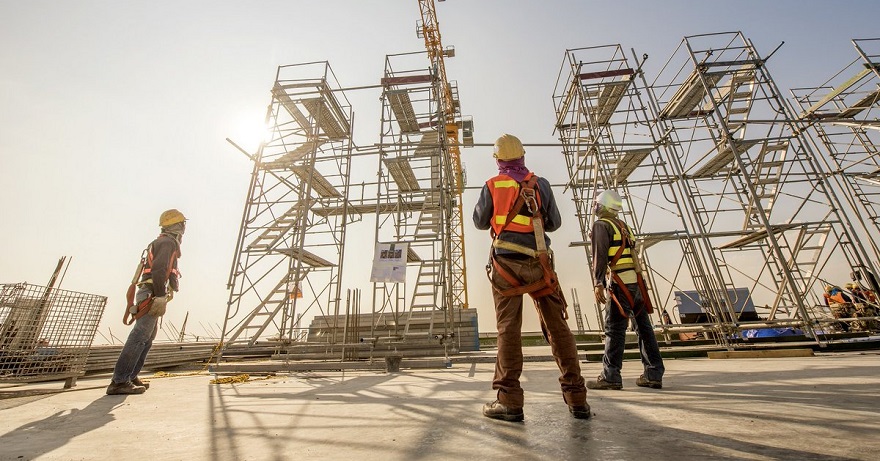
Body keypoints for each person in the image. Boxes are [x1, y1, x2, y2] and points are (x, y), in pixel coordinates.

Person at [473, 134, 589, 421]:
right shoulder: (541, 184)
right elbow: (555, 223)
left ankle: (509, 400)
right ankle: (577, 398)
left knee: (508, 329)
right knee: (557, 327)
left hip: (506, 267)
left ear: (498, 159)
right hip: (540, 263)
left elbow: (478, 222)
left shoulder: (492, 185)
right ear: (523, 156)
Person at [588, 190, 665, 390]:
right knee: (644, 328)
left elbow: (600, 256)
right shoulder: (624, 226)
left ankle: (610, 376)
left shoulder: (601, 225)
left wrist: (598, 283)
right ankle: (653, 372)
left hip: (620, 283)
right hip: (636, 283)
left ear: (602, 206)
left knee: (614, 329)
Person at [106, 209, 186, 395]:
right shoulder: (167, 243)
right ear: (178, 226)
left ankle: (130, 376)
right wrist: (159, 295)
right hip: (151, 293)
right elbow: (159, 269)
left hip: (150, 292)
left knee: (147, 338)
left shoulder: (162, 241)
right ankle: (119, 381)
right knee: (140, 336)